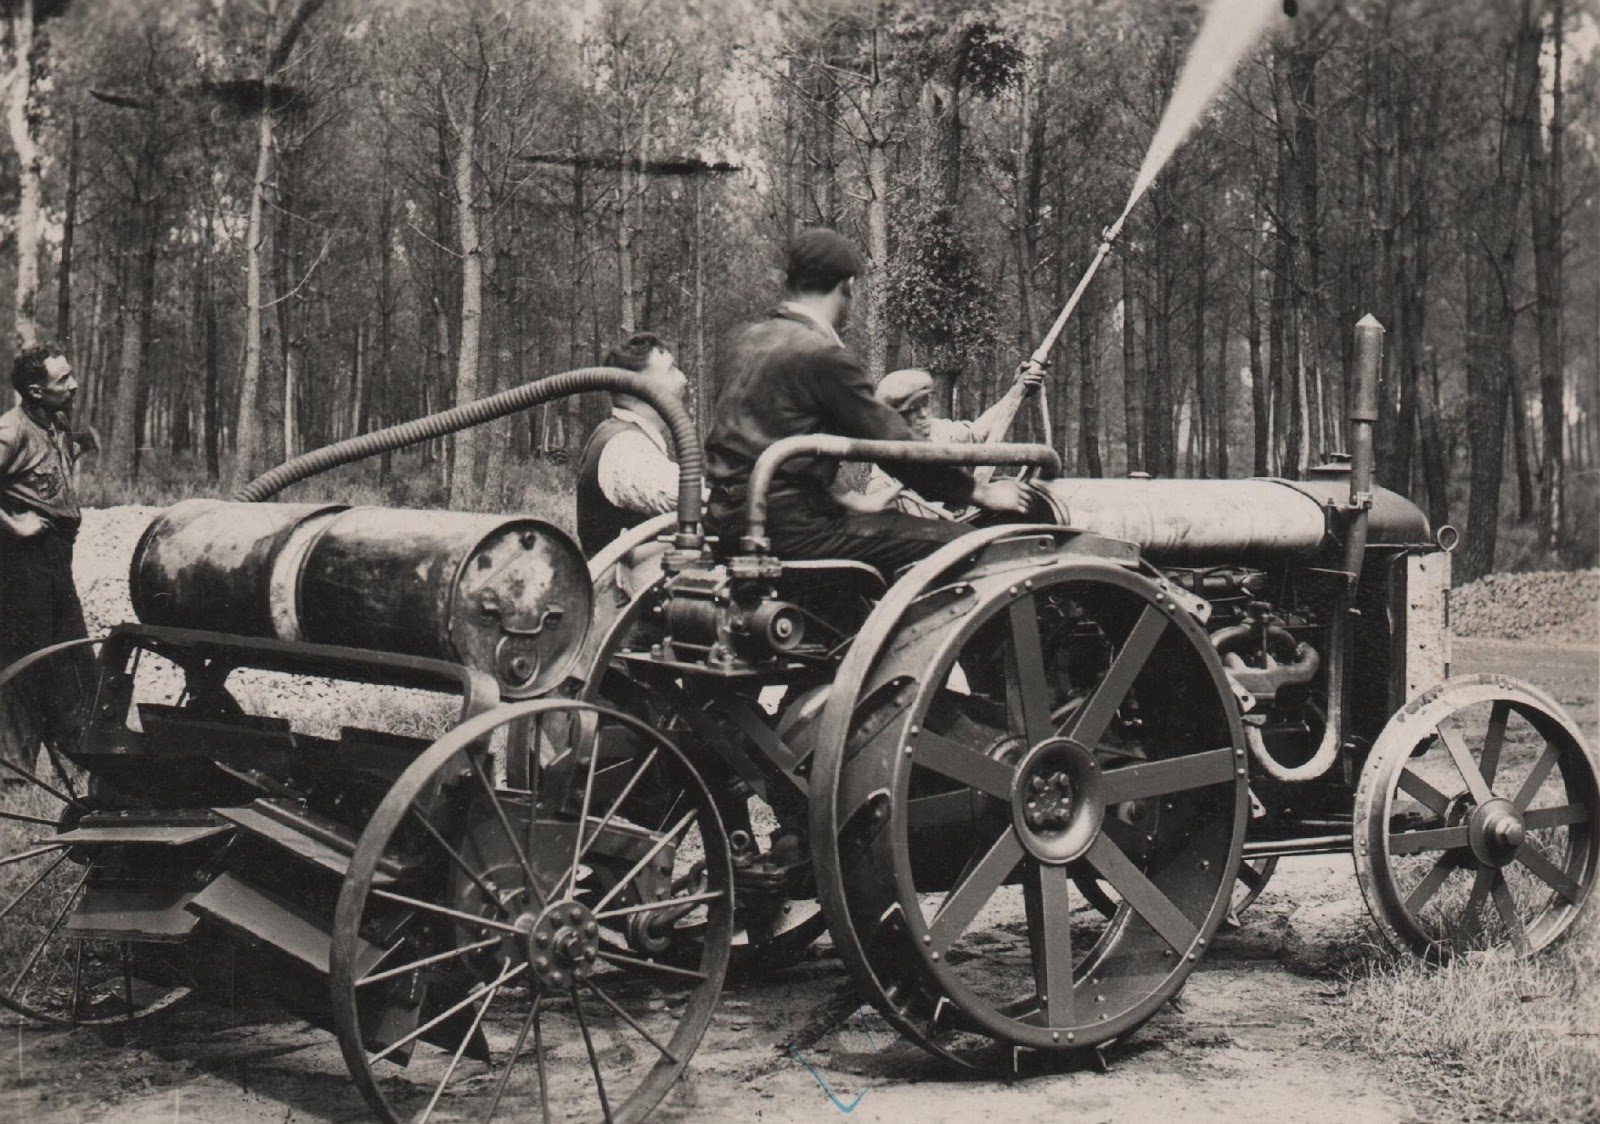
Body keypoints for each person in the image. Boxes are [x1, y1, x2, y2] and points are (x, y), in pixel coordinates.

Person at [704, 228, 1030, 574]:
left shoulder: (741, 342)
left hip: (726, 523)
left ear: (791, 281)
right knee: (970, 545)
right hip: (793, 529)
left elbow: (768, 440)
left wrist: (850, 500)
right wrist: (980, 492)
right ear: (847, 286)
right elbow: (894, 446)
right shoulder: (822, 354)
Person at [0, 343, 95, 775]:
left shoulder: (55, 423)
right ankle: (13, 774)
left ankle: (81, 760)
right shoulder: (11, 430)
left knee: (71, 657)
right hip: (22, 563)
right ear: (36, 391)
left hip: (56, 559)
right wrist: (13, 526)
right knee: (25, 663)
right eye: (64, 380)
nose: (73, 385)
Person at [834, 363, 1045, 520]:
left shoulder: (940, 431)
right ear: (893, 417)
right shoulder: (884, 478)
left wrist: (1017, 390)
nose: (924, 414)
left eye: (925, 404)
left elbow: (979, 431)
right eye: (913, 409)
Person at [575, 331, 689, 558]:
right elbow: (685, 494)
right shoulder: (625, 446)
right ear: (637, 386)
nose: (683, 379)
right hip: (619, 581)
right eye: (671, 370)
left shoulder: (624, 434)